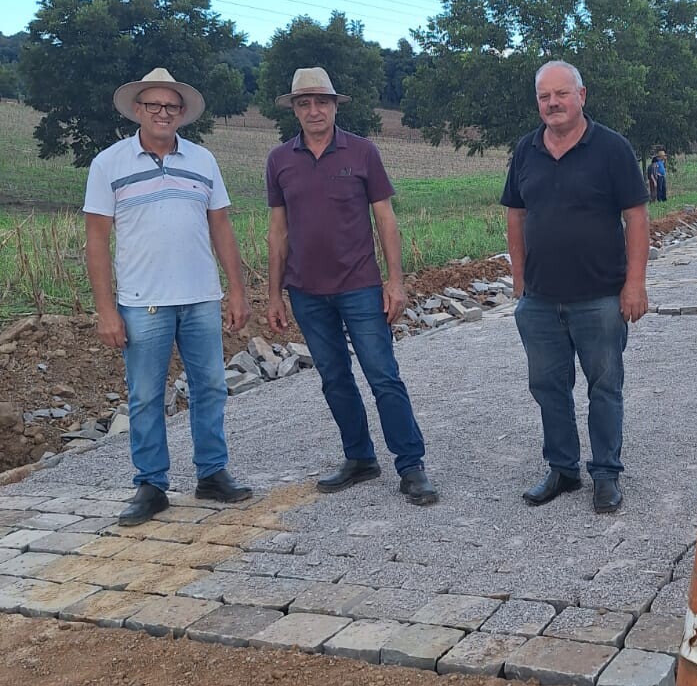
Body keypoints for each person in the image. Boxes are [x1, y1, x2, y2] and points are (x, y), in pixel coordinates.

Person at [83, 67, 252, 526]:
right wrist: (106, 310)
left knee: (210, 387)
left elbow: (221, 227)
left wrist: (237, 291)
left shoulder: (203, 160)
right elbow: (96, 240)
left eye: (171, 106)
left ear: (182, 113)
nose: (163, 112)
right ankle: (151, 484)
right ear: (138, 109)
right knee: (145, 396)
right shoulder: (109, 164)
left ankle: (212, 473)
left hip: (200, 296)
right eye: (154, 105)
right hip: (142, 301)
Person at [265, 68, 437, 505]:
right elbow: (278, 232)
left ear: (335, 106)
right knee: (334, 379)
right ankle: (359, 458)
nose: (314, 110)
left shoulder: (362, 152)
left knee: (383, 376)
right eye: (304, 103)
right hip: (305, 292)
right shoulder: (279, 160)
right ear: (294, 110)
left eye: (321, 101)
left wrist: (395, 282)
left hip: (360, 286)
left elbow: (385, 220)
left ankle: (411, 465)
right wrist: (273, 294)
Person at [502, 61, 650, 514]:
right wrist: (520, 278)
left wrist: (635, 284)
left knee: (604, 387)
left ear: (581, 95)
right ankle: (563, 469)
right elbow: (515, 214)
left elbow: (636, 217)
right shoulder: (526, 150)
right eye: (544, 96)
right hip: (540, 300)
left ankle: (606, 474)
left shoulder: (612, 148)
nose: (553, 103)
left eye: (561, 94)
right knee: (548, 387)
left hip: (600, 298)